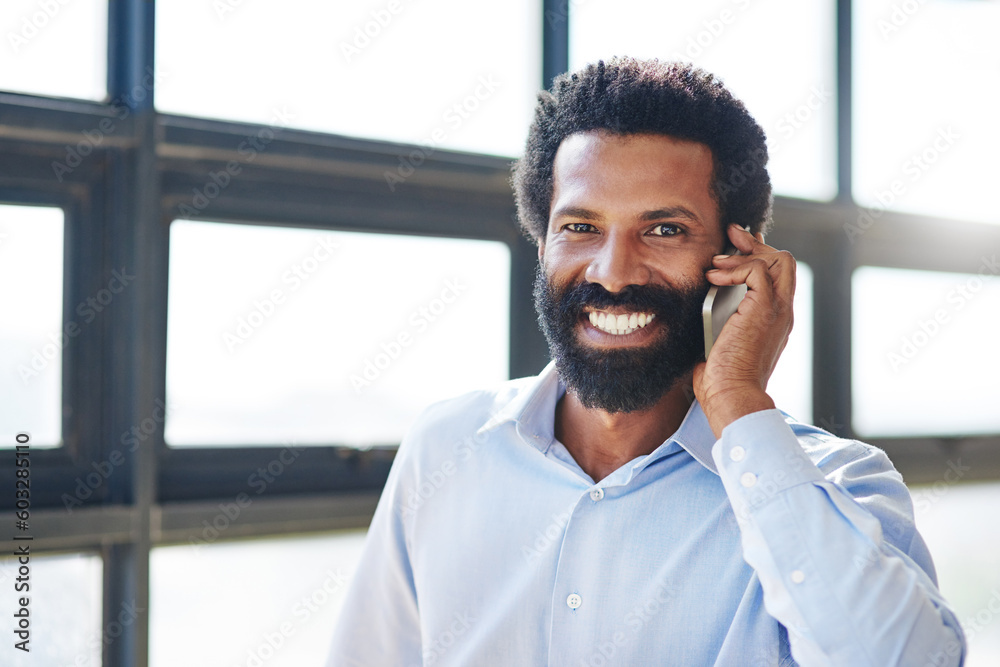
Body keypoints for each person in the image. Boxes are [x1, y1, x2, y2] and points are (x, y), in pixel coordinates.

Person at [327, 58, 966, 666]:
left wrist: (738, 402)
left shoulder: (838, 485)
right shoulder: (445, 448)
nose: (612, 274)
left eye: (664, 230)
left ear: (737, 260)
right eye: (580, 227)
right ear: (542, 241)